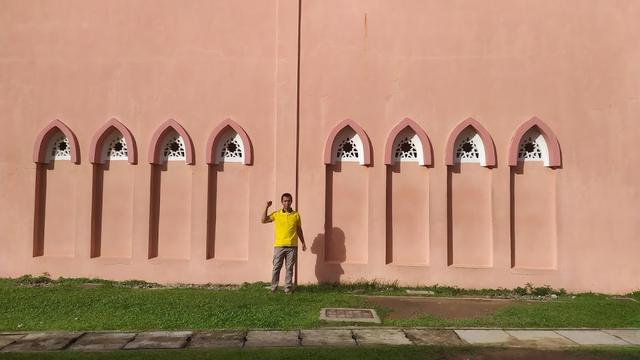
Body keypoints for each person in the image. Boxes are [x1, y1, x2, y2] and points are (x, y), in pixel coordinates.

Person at [261, 193, 306, 293]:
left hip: (292, 246)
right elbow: (263, 220)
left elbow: (299, 230)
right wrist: (266, 207)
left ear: (291, 201)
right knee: (276, 267)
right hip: (279, 246)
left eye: (289, 200)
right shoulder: (277, 214)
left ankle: (287, 288)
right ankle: (273, 288)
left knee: (289, 268)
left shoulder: (296, 215)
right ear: (282, 202)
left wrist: (303, 242)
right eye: (285, 201)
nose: (287, 203)